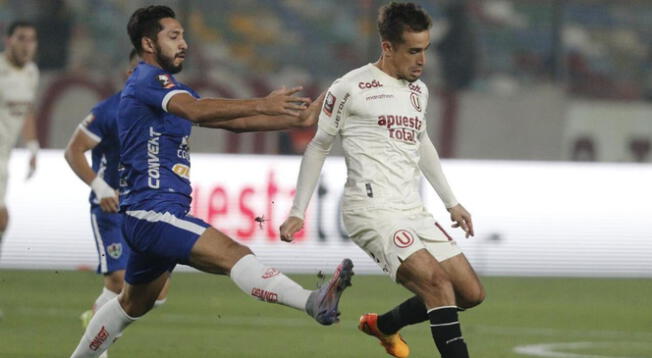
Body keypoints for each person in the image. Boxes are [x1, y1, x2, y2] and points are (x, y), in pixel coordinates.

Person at [70, 6, 352, 357]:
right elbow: (197, 111)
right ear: (147, 43)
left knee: (131, 305)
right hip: (153, 213)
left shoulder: (170, 90)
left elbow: (232, 122)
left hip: (149, 217)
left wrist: (293, 119)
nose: (184, 43)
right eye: (173, 37)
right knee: (234, 255)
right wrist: (264, 104)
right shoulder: (146, 79)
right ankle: (313, 302)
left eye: (183, 36)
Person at [279, 3, 484, 358]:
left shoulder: (419, 91)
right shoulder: (351, 87)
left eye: (426, 50)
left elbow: (421, 143)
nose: (422, 61)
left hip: (412, 209)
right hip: (371, 210)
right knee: (436, 285)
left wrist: (451, 201)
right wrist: (298, 210)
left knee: (470, 293)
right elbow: (318, 146)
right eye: (413, 51)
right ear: (388, 47)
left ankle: (384, 326)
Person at [64, 50, 169, 354]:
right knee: (120, 278)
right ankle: (99, 344)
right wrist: (100, 187)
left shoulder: (164, 112)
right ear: (129, 74)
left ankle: (97, 314)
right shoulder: (109, 111)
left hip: (146, 207)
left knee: (156, 293)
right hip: (111, 208)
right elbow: (74, 151)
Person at [0, 20, 39, 257]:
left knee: (3, 219)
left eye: (31, 39)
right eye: (21, 38)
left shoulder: (31, 72)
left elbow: (27, 111)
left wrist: (33, 147)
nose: (26, 45)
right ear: (9, 41)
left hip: (6, 153)